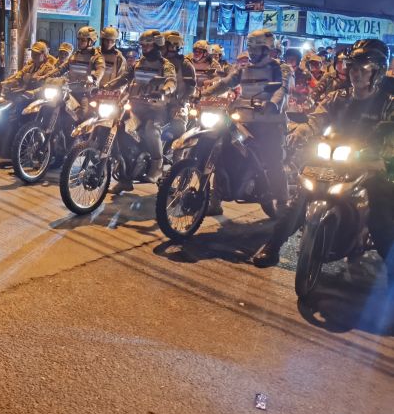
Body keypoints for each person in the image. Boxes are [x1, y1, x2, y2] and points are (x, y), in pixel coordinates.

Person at [253, 39, 394, 272]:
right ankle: (273, 245)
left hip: (372, 166)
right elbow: (317, 118)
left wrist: (383, 154)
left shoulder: (388, 104)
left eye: (363, 70)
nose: (355, 75)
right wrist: (300, 131)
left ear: (377, 72)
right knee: (301, 199)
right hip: (334, 160)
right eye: (353, 69)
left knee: (381, 217)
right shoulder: (337, 97)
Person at [202, 28, 292, 216]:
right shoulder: (243, 69)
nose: (252, 53)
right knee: (221, 150)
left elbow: (282, 90)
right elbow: (226, 82)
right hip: (242, 122)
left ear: (267, 49)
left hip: (269, 124)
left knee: (273, 159)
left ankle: (283, 202)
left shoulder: (281, 68)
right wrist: (204, 94)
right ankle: (215, 199)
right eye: (250, 49)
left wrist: (272, 104)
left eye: (256, 49)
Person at [105, 30, 176, 193]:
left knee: (151, 129)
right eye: (143, 45)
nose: (144, 48)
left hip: (156, 110)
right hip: (136, 108)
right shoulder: (138, 63)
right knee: (120, 128)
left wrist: (164, 90)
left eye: (148, 44)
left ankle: (157, 163)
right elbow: (124, 78)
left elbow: (172, 81)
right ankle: (125, 178)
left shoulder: (166, 65)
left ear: (157, 45)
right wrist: (106, 87)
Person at [162, 30, 197, 143]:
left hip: (177, 104)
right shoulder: (157, 61)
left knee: (179, 128)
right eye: (169, 45)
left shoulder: (185, 64)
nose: (171, 48)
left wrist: (183, 100)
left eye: (173, 46)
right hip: (155, 103)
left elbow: (191, 86)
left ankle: (177, 158)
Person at [51, 26, 104, 91]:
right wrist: (47, 76)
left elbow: (100, 70)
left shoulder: (97, 57)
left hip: (87, 92)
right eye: (78, 39)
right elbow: (62, 68)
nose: (79, 42)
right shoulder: (75, 55)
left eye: (83, 40)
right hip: (70, 90)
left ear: (91, 42)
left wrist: (93, 79)